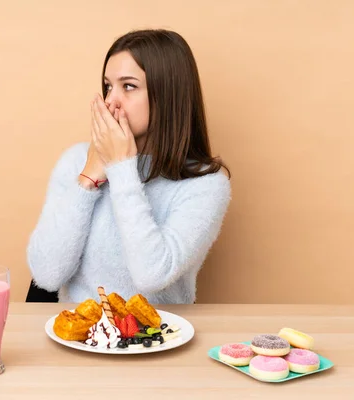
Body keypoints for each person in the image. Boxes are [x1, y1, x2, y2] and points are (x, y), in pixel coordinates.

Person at [26, 28, 231, 304]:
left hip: (160, 340)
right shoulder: (75, 161)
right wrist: (88, 180)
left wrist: (122, 168)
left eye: (129, 86)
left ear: (167, 95)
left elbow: (152, 275)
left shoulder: (205, 184)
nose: (111, 100)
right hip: (79, 339)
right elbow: (47, 275)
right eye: (108, 86)